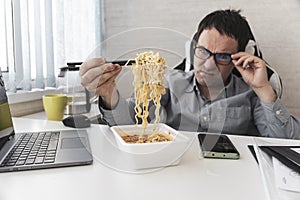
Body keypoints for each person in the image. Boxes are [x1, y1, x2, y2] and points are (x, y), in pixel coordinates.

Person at [80, 9, 300, 139]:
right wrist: (109, 94)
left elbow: (284, 143)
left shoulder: (251, 94)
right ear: (194, 47)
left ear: (238, 59)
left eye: (222, 56)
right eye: (203, 51)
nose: (208, 64)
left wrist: (263, 89)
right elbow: (131, 123)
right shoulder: (168, 82)